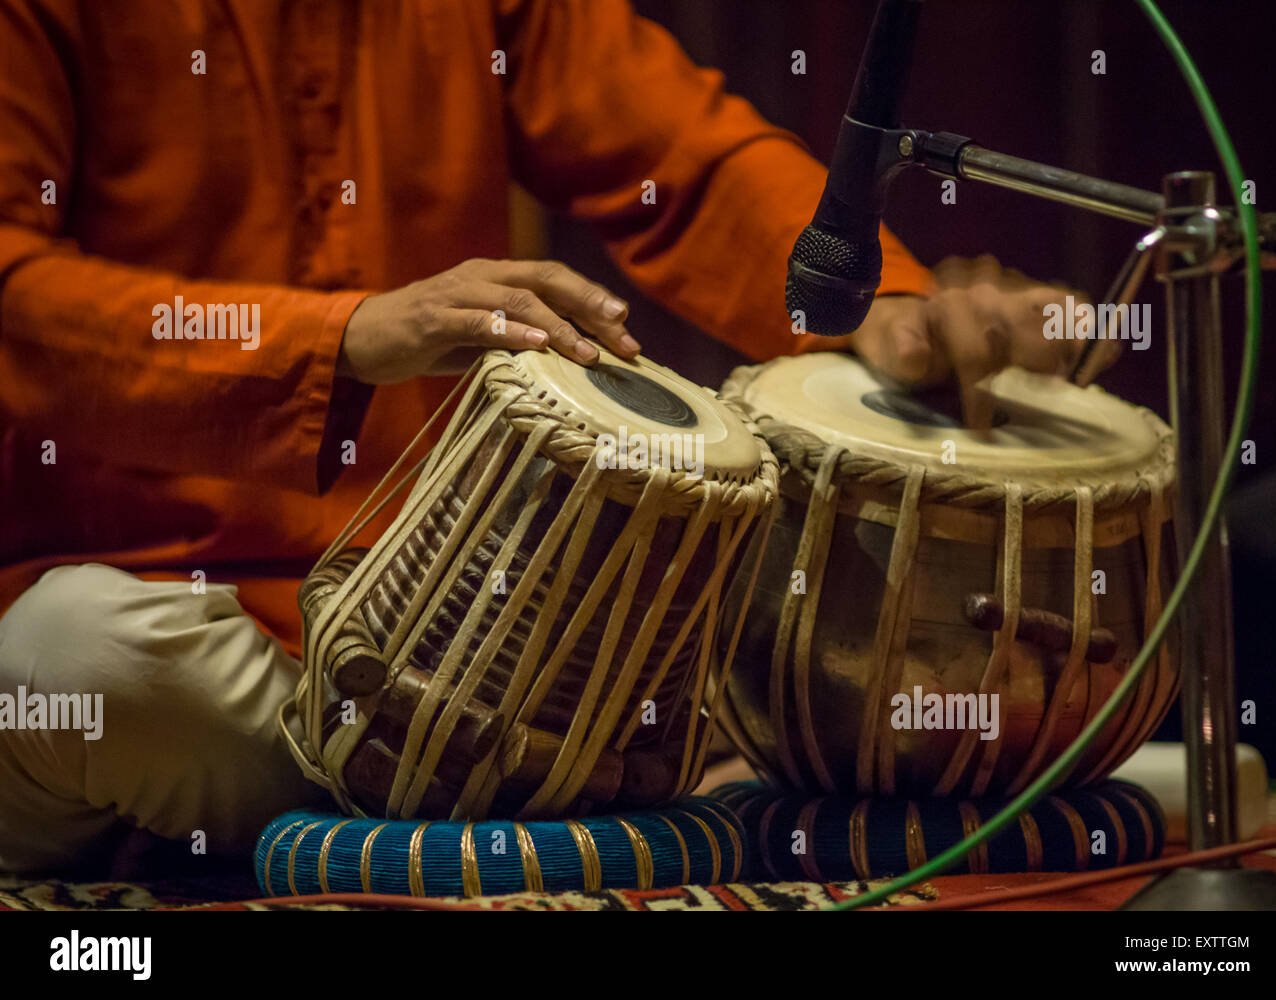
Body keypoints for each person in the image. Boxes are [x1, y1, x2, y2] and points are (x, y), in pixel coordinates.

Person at [0, 0, 1087, 873]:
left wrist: (876, 303)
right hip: (174, 638)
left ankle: (414, 817)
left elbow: (687, 164)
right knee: (82, 653)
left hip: (422, 654)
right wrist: (347, 336)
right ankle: (526, 819)